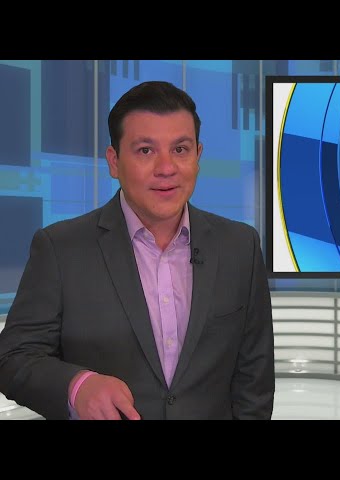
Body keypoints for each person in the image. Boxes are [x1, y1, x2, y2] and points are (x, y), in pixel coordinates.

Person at [0, 81, 275, 420]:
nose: (166, 168)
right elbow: (13, 358)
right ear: (114, 161)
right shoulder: (60, 249)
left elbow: (254, 382)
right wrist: (77, 387)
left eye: (180, 149)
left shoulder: (240, 246)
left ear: (198, 156)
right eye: (146, 150)